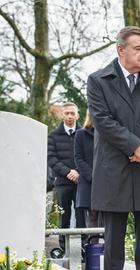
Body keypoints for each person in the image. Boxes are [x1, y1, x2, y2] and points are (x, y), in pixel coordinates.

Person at [87, 26, 140, 270]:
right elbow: (103, 121)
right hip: (114, 171)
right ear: (121, 50)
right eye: (138, 48)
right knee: (113, 243)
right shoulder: (98, 80)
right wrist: (135, 146)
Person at [47, 102, 86, 252]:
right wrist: (68, 172)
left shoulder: (85, 134)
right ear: (62, 115)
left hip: (81, 183)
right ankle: (63, 249)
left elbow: (89, 156)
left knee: (82, 217)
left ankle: (83, 249)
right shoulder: (53, 136)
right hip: (62, 183)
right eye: (66, 113)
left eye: (72, 113)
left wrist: (79, 172)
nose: (70, 116)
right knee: (64, 216)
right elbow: (51, 158)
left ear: (77, 115)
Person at [74, 110, 98, 228]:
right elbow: (78, 158)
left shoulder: (109, 134)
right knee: (92, 217)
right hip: (89, 182)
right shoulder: (81, 134)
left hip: (108, 180)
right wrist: (92, 176)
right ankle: (93, 246)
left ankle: (108, 246)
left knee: (110, 219)